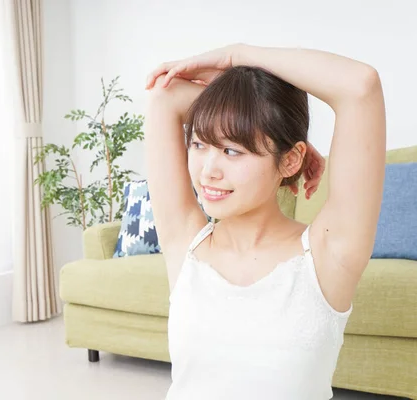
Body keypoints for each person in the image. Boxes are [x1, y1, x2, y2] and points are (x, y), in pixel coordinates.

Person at [144, 43, 386, 400]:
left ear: (291, 161)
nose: (208, 171)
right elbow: (164, 97)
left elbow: (360, 85)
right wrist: (244, 103)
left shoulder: (327, 256)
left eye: (231, 151)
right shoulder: (186, 241)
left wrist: (235, 56)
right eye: (198, 144)